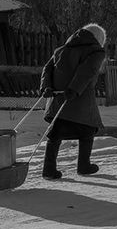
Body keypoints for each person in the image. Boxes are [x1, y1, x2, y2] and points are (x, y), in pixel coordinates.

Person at [39, 23, 107, 179]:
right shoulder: (96, 52)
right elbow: (87, 71)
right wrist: (74, 90)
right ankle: (84, 166)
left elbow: (47, 69)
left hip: (57, 101)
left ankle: (48, 169)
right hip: (80, 99)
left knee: (55, 134)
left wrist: (46, 87)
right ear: (99, 39)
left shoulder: (61, 50)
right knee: (88, 129)